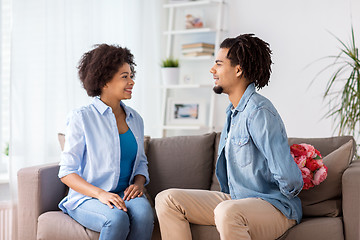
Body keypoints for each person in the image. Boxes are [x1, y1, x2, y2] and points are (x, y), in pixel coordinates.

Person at [155, 34, 303, 240]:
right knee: (167, 199)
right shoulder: (232, 113)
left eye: (218, 64)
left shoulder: (259, 111)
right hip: (237, 200)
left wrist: (282, 195)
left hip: (273, 206)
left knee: (227, 211)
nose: (212, 70)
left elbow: (290, 179)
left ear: (238, 69)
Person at [58, 44, 154, 240]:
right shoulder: (81, 118)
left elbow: (141, 162)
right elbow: (67, 172)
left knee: (144, 215)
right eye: (124, 77)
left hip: (125, 194)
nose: (132, 82)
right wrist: (100, 194)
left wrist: (139, 183)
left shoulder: (136, 119)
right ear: (104, 81)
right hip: (89, 197)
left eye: (131, 75)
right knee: (116, 218)